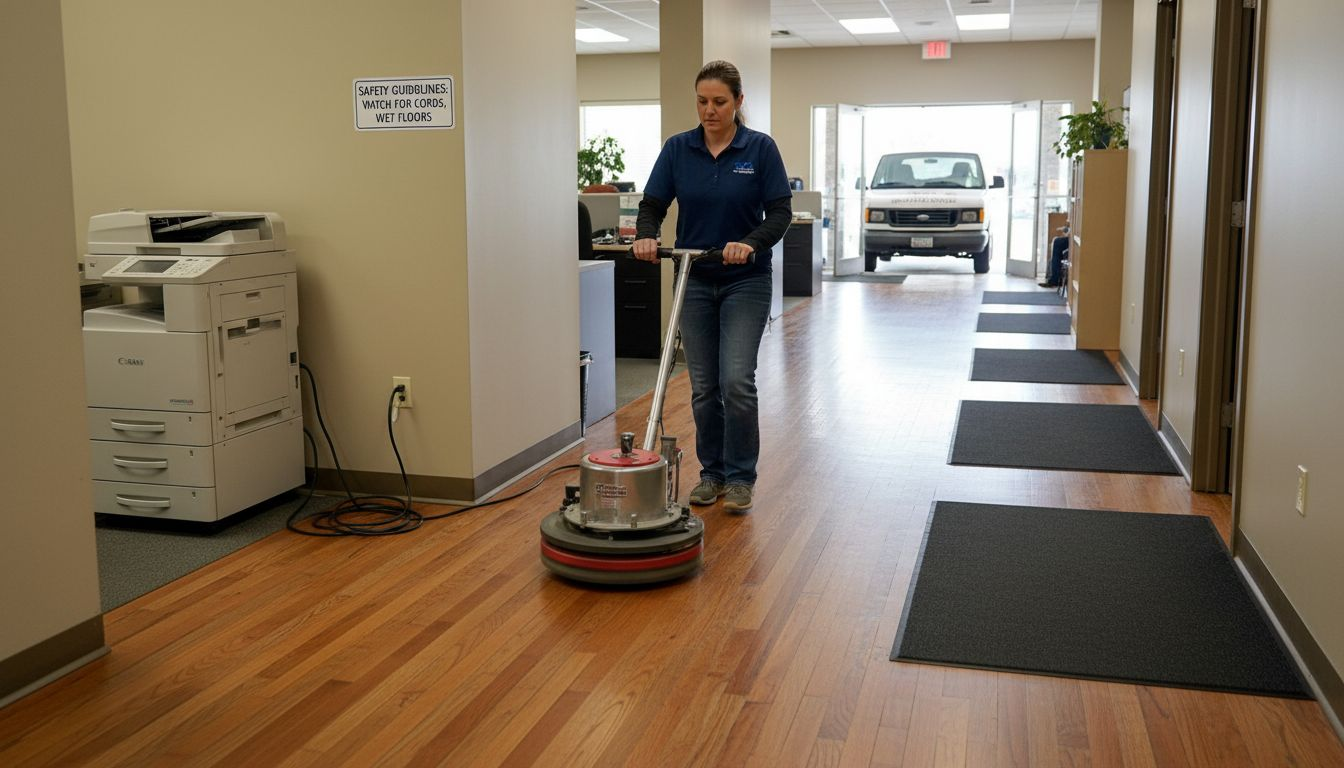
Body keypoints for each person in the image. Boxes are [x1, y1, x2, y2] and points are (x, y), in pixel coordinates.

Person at [633, 60, 792, 513]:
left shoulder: (759, 149)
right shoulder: (678, 149)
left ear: (739, 102)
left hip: (746, 279)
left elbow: (780, 212)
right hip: (694, 278)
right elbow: (653, 204)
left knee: (737, 379)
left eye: (719, 101)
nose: (709, 110)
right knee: (703, 385)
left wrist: (749, 243)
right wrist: (646, 235)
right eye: (702, 101)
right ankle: (712, 473)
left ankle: (741, 477)